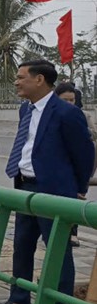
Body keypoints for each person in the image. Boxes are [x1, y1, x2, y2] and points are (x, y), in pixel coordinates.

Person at [0, 60, 94, 304]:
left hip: (54, 192)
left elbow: (84, 155)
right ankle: (19, 298)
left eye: (21, 77)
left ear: (39, 80)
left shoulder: (65, 112)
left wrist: (78, 188)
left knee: (58, 252)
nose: (16, 82)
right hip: (25, 187)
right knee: (22, 245)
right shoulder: (26, 108)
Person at [54, 81, 97, 246]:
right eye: (65, 100)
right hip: (57, 168)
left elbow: (93, 137)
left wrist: (81, 128)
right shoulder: (50, 115)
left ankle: (73, 233)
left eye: (72, 100)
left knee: (73, 203)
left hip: (75, 169)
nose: (69, 103)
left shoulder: (83, 115)